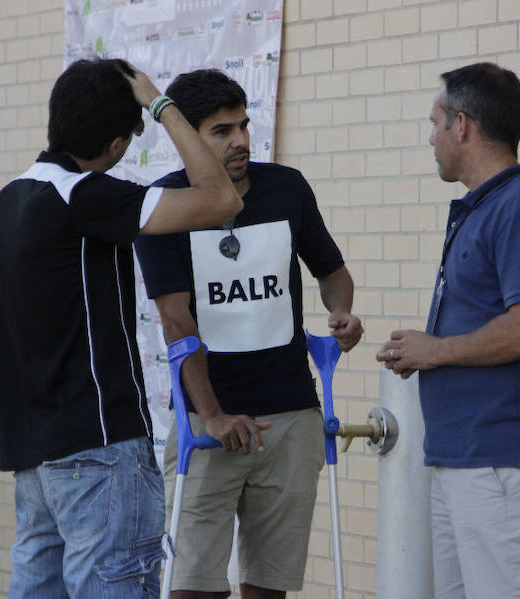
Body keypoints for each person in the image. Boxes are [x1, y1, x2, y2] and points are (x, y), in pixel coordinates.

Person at [0, 57, 244, 598]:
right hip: (98, 454)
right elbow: (221, 197)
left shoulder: (8, 198)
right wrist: (161, 103)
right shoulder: (82, 196)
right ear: (117, 144)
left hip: (35, 463)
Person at [134, 69, 363, 599]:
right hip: (209, 423)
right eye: (220, 130)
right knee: (191, 584)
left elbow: (332, 273)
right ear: (188, 138)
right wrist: (210, 414)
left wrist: (342, 313)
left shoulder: (287, 187)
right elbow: (175, 319)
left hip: (290, 417)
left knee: (269, 586)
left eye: (243, 124)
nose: (240, 139)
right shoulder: (164, 205)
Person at [376, 62, 520, 599]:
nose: (430, 136)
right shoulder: (486, 208)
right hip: (467, 458)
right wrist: (427, 351)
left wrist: (435, 350)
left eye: (435, 121)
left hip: (502, 461)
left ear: (462, 126)